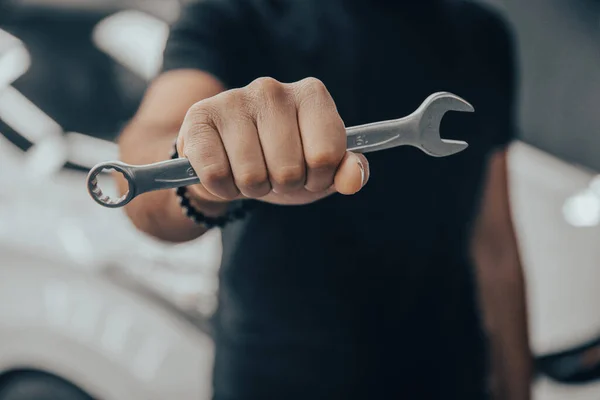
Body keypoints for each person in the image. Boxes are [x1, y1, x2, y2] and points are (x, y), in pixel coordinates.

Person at [116, 0, 532, 398]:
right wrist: (201, 173)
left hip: (448, 379)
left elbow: (494, 242)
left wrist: (517, 390)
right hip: (278, 382)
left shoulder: (483, 34)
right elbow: (144, 181)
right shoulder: (230, 14)